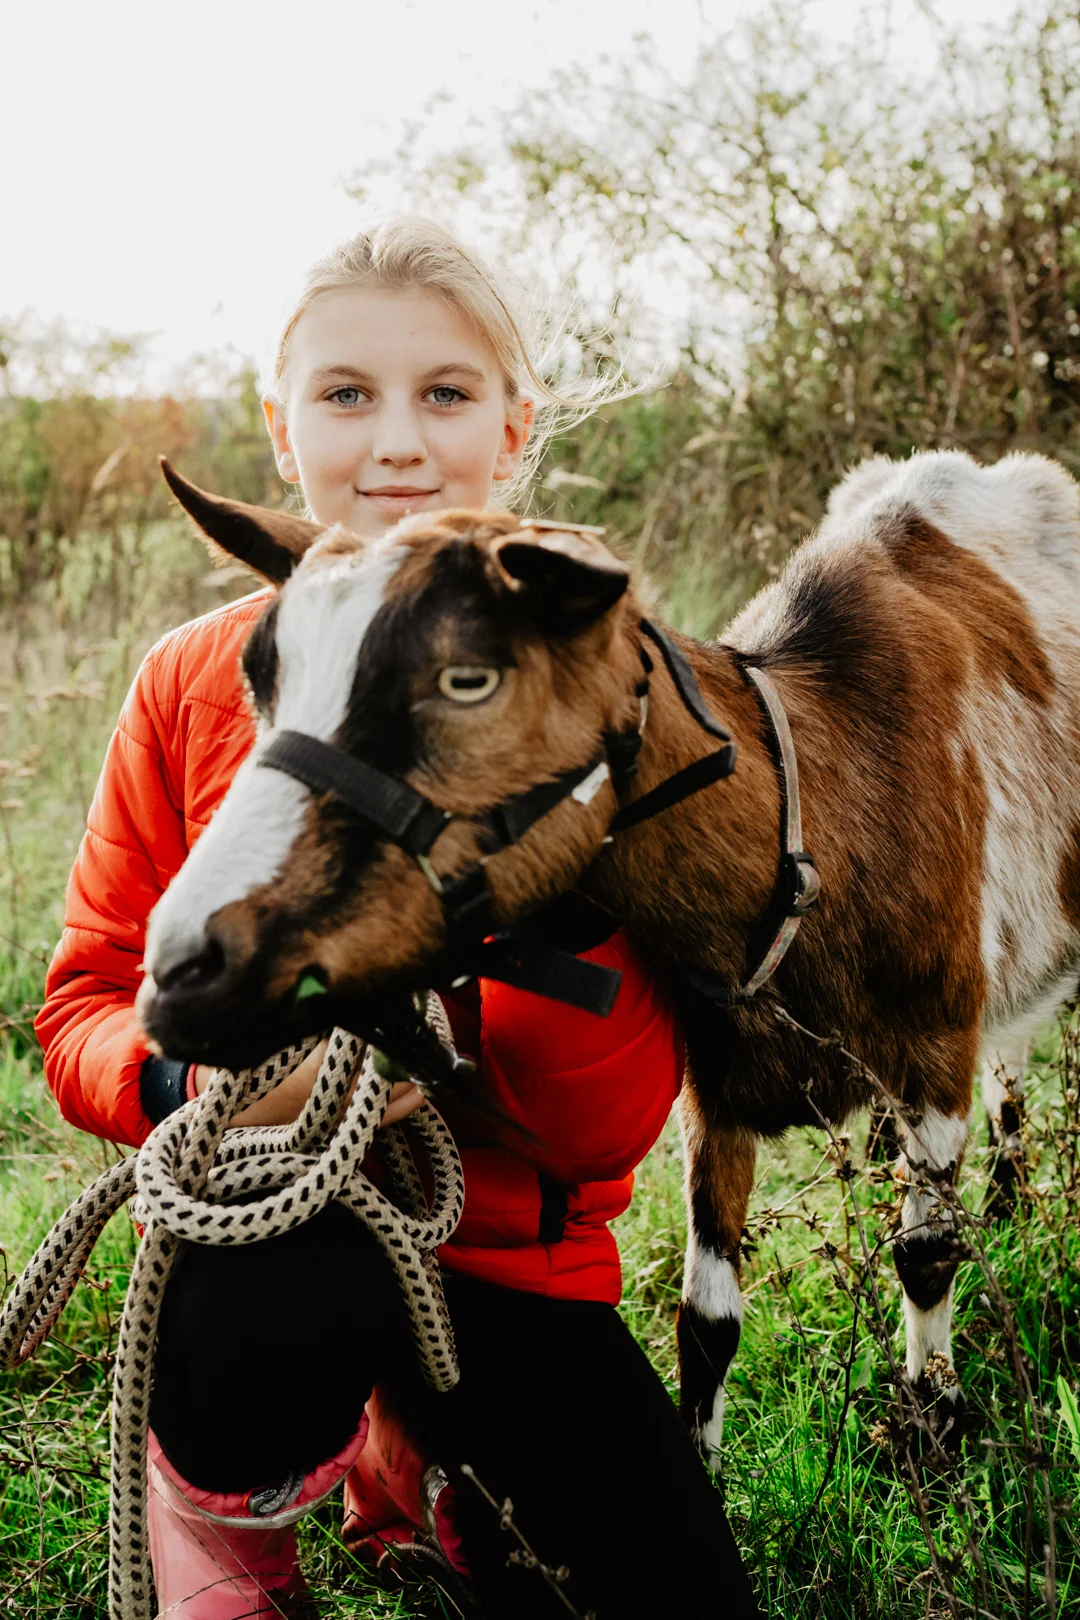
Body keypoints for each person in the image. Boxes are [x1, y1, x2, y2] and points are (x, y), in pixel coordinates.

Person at [36, 219, 762, 1620]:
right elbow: (80, 1006)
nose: (396, 442)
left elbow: (609, 1120)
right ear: (281, 419)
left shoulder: (597, 684)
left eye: (446, 393)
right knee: (276, 1267)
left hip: (517, 1260)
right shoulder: (192, 680)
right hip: (272, 1237)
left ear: (513, 425)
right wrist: (201, 1083)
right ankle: (227, 1542)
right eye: (346, 394)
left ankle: (411, 1467)